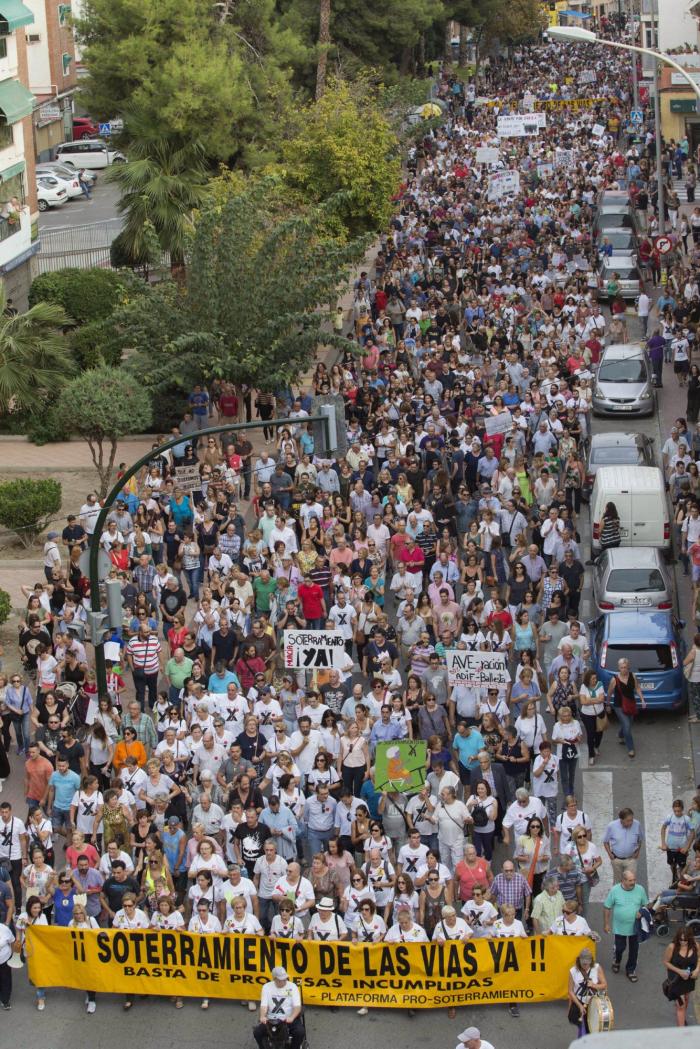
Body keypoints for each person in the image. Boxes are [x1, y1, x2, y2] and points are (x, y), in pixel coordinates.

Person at [603, 868, 648, 982]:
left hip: (635, 927)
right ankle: (617, 961)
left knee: (634, 950)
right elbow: (607, 907)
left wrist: (641, 912)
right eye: (630, 880)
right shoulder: (615, 890)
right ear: (623, 880)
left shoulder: (640, 889)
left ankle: (630, 970)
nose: (633, 882)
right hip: (619, 927)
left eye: (634, 880)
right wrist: (607, 924)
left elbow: (646, 905)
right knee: (620, 948)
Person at [254, 965, 304, 1049]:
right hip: (272, 1020)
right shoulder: (266, 987)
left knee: (300, 1032)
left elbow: (297, 1006)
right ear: (274, 979)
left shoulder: (292, 987)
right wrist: (262, 1016)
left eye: (285, 979)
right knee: (257, 1032)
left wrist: (292, 1017)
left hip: (288, 1019)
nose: (284, 981)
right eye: (281, 980)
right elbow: (264, 1005)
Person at [606, 657, 646, 758]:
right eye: (622, 667)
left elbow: (637, 688)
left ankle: (620, 734)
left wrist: (642, 699)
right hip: (619, 706)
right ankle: (631, 748)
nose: (624, 669)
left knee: (628, 723)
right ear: (619, 668)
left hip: (630, 704)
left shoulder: (633, 676)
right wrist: (607, 705)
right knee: (627, 726)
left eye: (625, 667)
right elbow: (609, 693)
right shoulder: (614, 679)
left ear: (628, 667)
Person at [662, 926, 699, 1027]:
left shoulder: (695, 945)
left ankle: (681, 1017)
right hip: (676, 979)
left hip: (689, 979)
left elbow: (699, 957)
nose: (683, 942)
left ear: (690, 938)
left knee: (686, 999)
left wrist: (697, 970)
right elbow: (665, 962)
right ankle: (681, 1031)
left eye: (685, 940)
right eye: (680, 939)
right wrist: (680, 971)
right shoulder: (672, 947)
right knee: (681, 1006)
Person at [567, 947, 608, 1035]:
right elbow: (570, 991)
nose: (585, 966)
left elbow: (604, 985)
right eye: (583, 964)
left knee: (591, 1028)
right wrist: (580, 1006)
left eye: (587, 964)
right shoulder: (573, 971)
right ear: (579, 961)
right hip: (579, 1002)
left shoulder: (597, 968)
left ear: (591, 961)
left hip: (593, 1004)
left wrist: (594, 985)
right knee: (581, 1026)